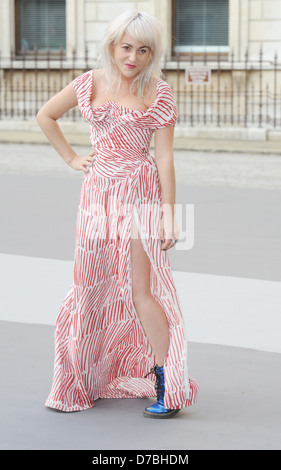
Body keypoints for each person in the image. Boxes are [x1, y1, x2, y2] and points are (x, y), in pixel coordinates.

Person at [36, 9, 198, 419]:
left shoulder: (158, 92)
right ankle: (83, 377)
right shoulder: (89, 82)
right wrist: (72, 158)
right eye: (127, 47)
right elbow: (46, 115)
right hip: (96, 194)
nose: (134, 57)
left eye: (144, 50)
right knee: (89, 284)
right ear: (112, 46)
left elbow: (164, 157)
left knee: (142, 290)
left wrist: (169, 214)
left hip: (140, 192)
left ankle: (166, 381)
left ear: (152, 54)